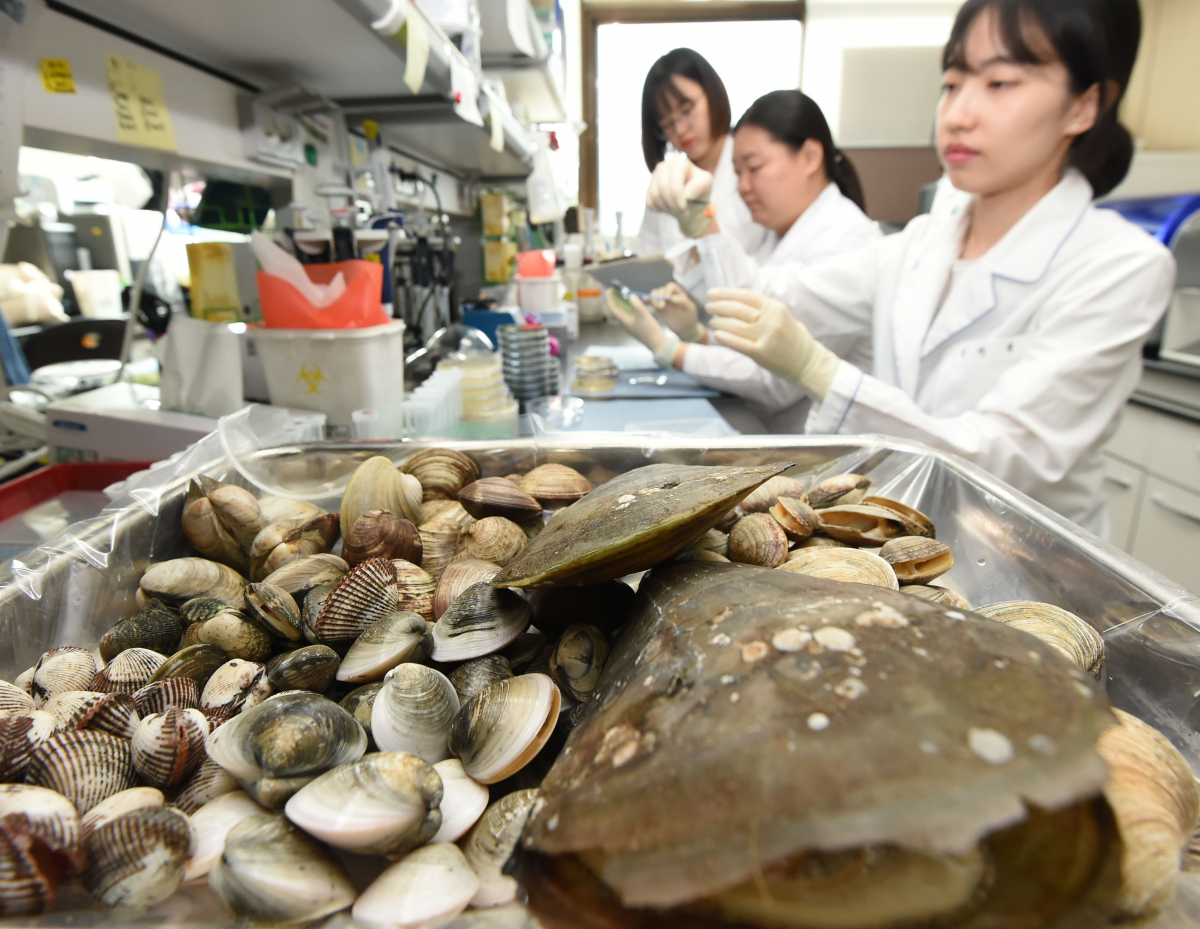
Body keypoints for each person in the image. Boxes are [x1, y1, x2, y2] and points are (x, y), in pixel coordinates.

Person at [701, 0, 1174, 536]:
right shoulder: (919, 243)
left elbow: (1001, 457)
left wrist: (820, 371)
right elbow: (768, 291)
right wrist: (702, 219)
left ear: (1085, 106)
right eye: (952, 84)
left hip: (1025, 561)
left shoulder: (1119, 267)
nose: (957, 114)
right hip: (906, 532)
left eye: (1000, 83)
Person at [611, 91, 880, 432]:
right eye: (737, 173)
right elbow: (754, 336)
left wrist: (671, 349)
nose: (743, 187)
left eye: (754, 168)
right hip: (774, 430)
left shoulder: (846, 240)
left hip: (819, 444)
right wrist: (697, 334)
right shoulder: (776, 234)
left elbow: (777, 381)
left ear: (810, 156)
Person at [635, 49, 765, 259]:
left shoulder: (757, 166)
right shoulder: (669, 180)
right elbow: (645, 256)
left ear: (712, 92)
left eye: (686, 111)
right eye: (667, 124)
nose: (679, 130)